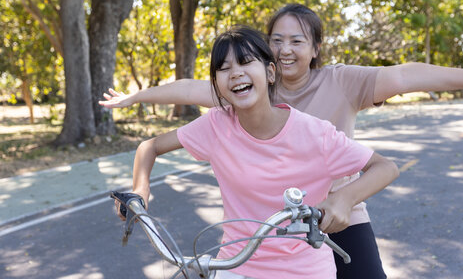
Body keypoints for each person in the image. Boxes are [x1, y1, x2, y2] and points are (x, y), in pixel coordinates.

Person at [103, 4, 463, 278]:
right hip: (257, 232)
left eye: (298, 40)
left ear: (315, 48)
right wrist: (135, 97)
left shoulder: (342, 81)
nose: (285, 48)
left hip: (334, 212)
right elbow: (182, 91)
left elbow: (407, 75)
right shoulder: (240, 92)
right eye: (276, 40)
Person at [114, 25, 399, 279]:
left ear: (270, 72)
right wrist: (141, 191)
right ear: (218, 84)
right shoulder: (216, 125)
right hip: (234, 266)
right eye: (223, 68)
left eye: (246, 62)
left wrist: (344, 199)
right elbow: (149, 147)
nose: (235, 72)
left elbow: (385, 167)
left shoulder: (315, 133)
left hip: (304, 271)